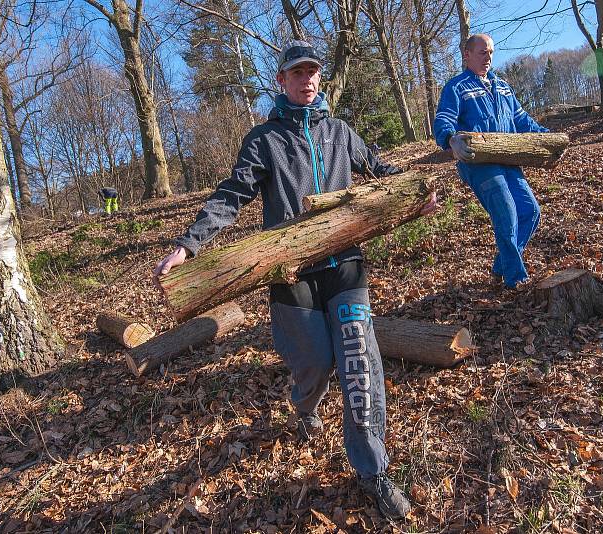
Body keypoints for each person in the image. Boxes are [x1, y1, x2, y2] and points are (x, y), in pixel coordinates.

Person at [153, 40, 437, 519]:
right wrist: (188, 244)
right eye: (296, 73)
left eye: (312, 72)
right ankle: (305, 407)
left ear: (320, 78)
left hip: (345, 264)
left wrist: (416, 191)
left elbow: (381, 170)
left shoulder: (342, 132)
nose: (306, 79)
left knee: (359, 363)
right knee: (314, 364)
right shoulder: (265, 140)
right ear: (281, 81)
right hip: (290, 273)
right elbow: (230, 196)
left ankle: (373, 471)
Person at [433, 33, 548, 289]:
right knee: (506, 214)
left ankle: (501, 265)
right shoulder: (457, 87)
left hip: (508, 160)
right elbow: (443, 120)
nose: (489, 58)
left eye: (492, 52)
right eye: (483, 52)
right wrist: (451, 139)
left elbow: (522, 120)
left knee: (530, 211)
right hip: (478, 164)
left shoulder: (503, 86)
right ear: (467, 55)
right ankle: (516, 280)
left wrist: (548, 138)